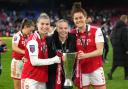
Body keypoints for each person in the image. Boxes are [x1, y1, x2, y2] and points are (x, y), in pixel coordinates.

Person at [70, 3, 106, 89]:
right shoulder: (72, 33)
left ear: (85, 17)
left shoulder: (96, 30)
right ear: (73, 20)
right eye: (76, 18)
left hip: (96, 68)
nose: (78, 20)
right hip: (81, 70)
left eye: (80, 17)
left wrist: (85, 55)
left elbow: (100, 51)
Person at [21, 13, 60, 89]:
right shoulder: (33, 41)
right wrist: (54, 60)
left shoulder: (44, 39)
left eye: (47, 24)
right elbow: (34, 61)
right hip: (31, 78)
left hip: (41, 78)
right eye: (42, 24)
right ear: (37, 24)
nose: (44, 26)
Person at [46, 19, 76, 89]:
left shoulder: (73, 39)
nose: (63, 30)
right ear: (56, 29)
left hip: (67, 76)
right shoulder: (49, 40)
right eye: (61, 28)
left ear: (68, 28)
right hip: (52, 75)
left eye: (65, 28)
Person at [11, 18, 34, 89]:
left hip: (26, 63)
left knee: (25, 85)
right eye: (30, 30)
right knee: (17, 86)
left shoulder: (29, 36)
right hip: (17, 62)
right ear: (25, 27)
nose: (31, 32)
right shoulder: (17, 35)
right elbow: (14, 47)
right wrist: (25, 52)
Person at [108, 15, 128, 80]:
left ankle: (110, 72)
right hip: (123, 49)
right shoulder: (124, 28)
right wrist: (127, 49)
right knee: (126, 63)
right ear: (125, 20)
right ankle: (126, 76)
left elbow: (110, 38)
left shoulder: (115, 28)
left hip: (116, 48)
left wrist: (114, 45)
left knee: (116, 63)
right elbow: (125, 40)